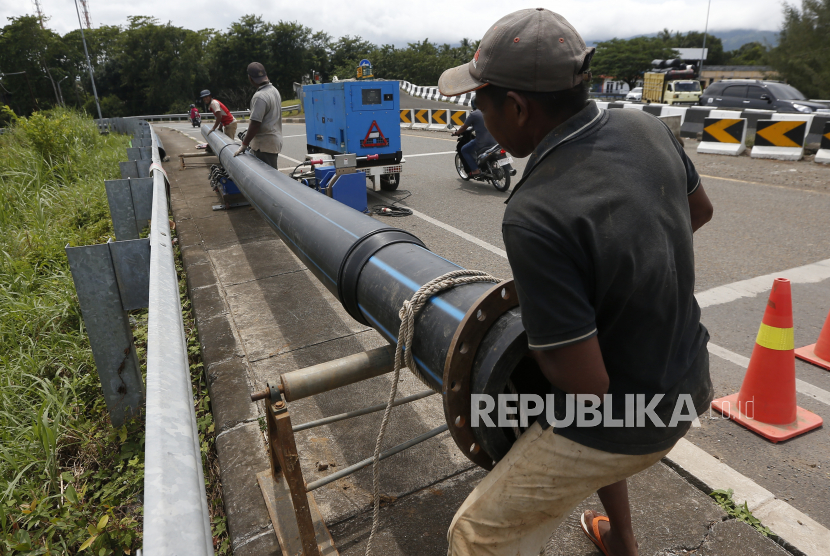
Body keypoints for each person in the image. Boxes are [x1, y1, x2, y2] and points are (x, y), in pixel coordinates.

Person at [438, 8, 714, 556]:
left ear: (516, 107)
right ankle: (621, 540)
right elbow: (698, 211)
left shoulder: (534, 211)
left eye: (480, 103)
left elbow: (586, 389)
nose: (480, 118)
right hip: (690, 378)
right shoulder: (643, 125)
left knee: (474, 532)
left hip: (635, 417)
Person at [233, 62, 283, 169]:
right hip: (273, 142)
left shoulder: (259, 96)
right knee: (272, 176)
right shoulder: (274, 91)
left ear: (250, 78)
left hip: (264, 145)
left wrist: (244, 144)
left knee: (268, 179)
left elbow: (255, 124)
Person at [451, 98, 497, 176]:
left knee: (464, 149)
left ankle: (475, 170)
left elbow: (463, 127)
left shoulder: (474, 114)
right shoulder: (491, 111)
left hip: (482, 141)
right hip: (496, 140)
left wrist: (456, 133)